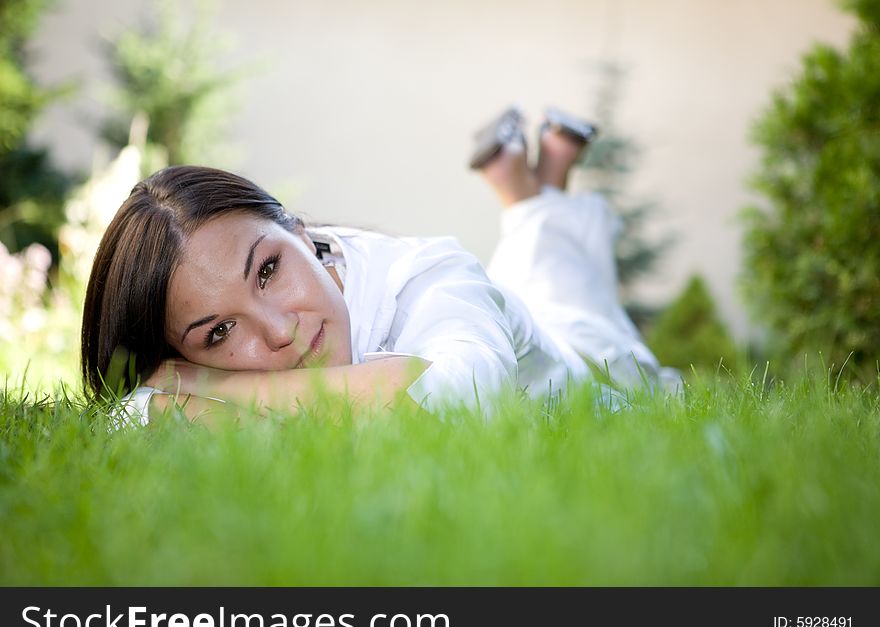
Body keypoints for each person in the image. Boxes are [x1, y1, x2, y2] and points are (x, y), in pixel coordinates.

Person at [81, 106, 678, 424]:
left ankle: (530, 196)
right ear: (179, 354)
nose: (280, 330)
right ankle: (541, 182)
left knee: (574, 305)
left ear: (299, 230)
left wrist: (221, 386)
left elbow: (457, 399)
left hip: (593, 372)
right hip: (510, 317)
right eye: (219, 332)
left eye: (267, 271)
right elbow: (132, 415)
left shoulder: (429, 278)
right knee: (536, 283)